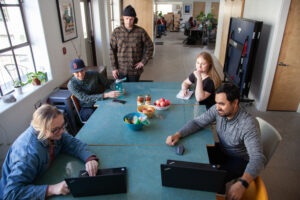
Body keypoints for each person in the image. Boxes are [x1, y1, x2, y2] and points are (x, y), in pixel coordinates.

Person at [166, 83, 265, 200]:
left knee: (209, 182)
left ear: (235, 103)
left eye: (222, 104)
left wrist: (243, 183)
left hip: (240, 160)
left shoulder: (248, 124)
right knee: (193, 159)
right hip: (223, 151)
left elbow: (258, 158)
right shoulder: (219, 110)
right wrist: (178, 134)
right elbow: (197, 122)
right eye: (216, 102)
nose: (217, 107)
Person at [0, 104, 99, 199]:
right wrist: (51, 189)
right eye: (56, 130)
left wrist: (89, 158)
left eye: (62, 126)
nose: (61, 131)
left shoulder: (53, 131)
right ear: (41, 130)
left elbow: (72, 143)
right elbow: (10, 194)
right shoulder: (28, 154)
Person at [110, 5, 154, 82]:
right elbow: (112, 51)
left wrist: (143, 61)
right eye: (126, 18)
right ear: (123, 18)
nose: (128, 21)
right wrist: (114, 68)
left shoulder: (140, 31)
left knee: (134, 90)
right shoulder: (116, 32)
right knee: (121, 91)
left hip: (135, 70)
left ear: (134, 19)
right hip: (121, 69)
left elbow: (150, 46)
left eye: (131, 19)